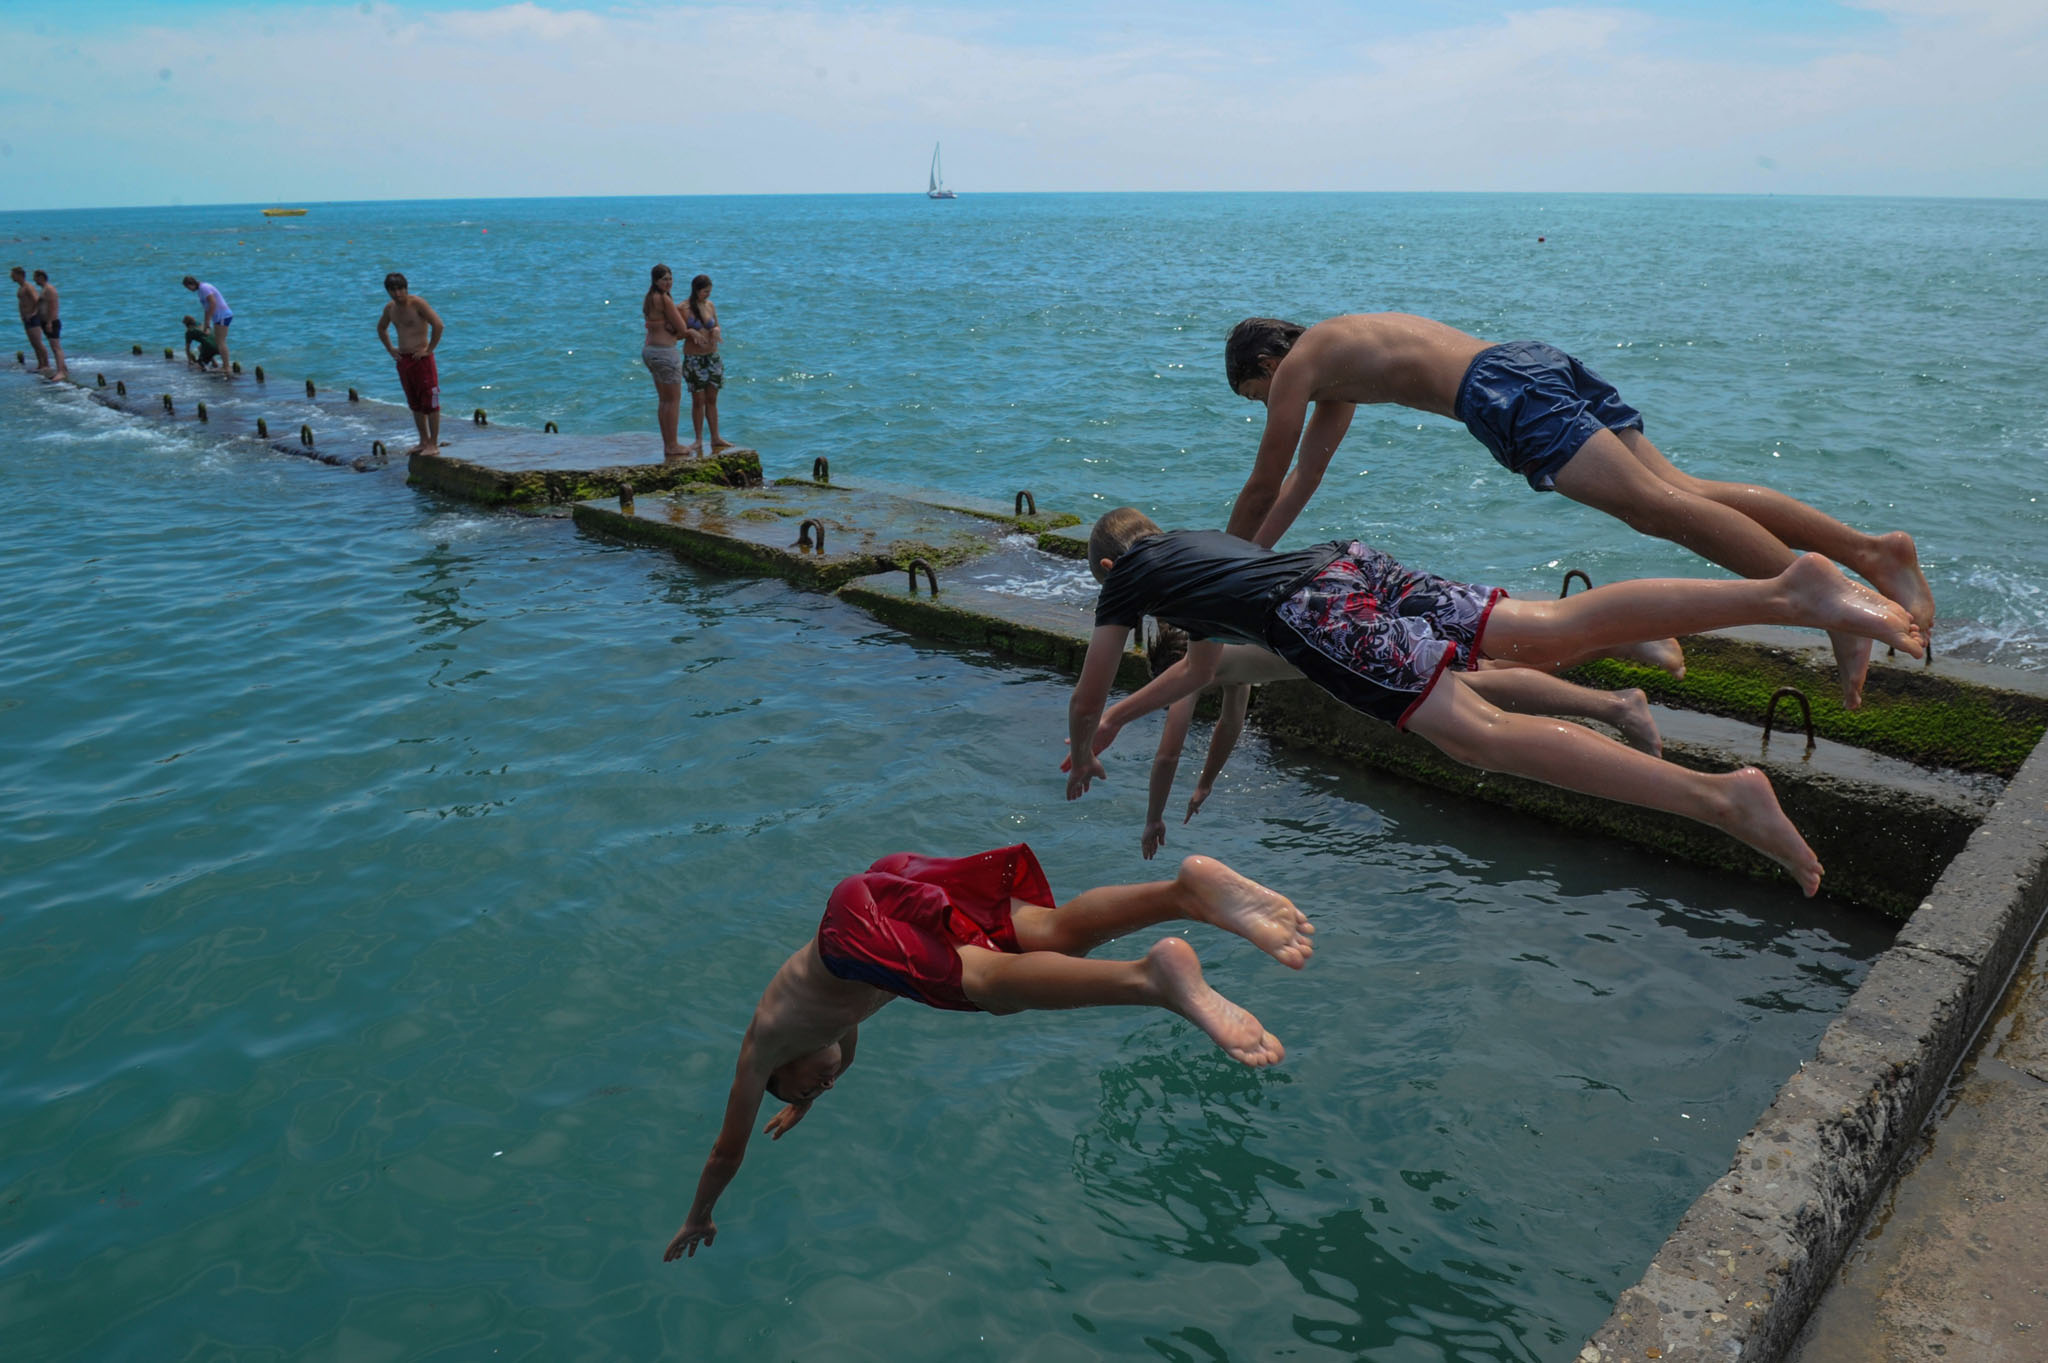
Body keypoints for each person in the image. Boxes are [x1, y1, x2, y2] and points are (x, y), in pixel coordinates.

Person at [1065, 509, 1927, 897]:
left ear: (1108, 567)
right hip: (1350, 562)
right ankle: (1789, 589)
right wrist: (1116, 723)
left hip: (1312, 610)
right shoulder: (1192, 552)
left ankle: (1722, 799)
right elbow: (1202, 671)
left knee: (1477, 735)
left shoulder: (1128, 579)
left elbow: (1093, 674)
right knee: (1551, 628)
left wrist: (1086, 732)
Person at [1220, 314, 1936, 709]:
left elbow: (1263, 482)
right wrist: (1249, 563)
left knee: (1658, 510)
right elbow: (1303, 480)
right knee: (1686, 492)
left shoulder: (1304, 360)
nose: (1272, 406)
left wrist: (1216, 567)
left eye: (1258, 396)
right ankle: (1873, 553)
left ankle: (1825, 596)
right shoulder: (1337, 368)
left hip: (1500, 393)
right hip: (1525, 360)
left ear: (1264, 362)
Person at [663, 845, 1313, 1261]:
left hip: (853, 927)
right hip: (884, 882)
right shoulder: (833, 1026)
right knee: (1051, 940)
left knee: (989, 988)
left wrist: (699, 1215)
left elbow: (726, 1149)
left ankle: (1154, 978)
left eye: (803, 1089)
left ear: (781, 1068)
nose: (819, 1088)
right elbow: (841, 1050)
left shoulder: (764, 1045)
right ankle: (1186, 891)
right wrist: (803, 1109)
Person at [1129, 625, 1667, 860]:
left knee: (1482, 679)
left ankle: (1618, 701)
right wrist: (1204, 786)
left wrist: (1155, 816)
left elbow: (1169, 749)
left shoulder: (1192, 668)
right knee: (1488, 661)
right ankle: (1617, 646)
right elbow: (1228, 726)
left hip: (1359, 652)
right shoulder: (1223, 649)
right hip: (1354, 631)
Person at [375, 272, 445, 456]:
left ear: (406, 288)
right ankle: (423, 441)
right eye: (393, 290)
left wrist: (428, 350)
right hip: (404, 361)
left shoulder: (418, 304)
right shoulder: (390, 308)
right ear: (388, 291)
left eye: (400, 289)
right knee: (414, 402)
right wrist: (390, 348)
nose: (398, 294)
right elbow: (381, 328)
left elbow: (438, 325)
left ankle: (433, 443)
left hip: (422, 360)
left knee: (431, 401)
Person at [642, 264, 693, 458]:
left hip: (650, 352)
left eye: (670, 279)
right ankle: (672, 445)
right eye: (664, 279)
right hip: (664, 353)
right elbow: (682, 329)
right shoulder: (663, 299)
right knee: (672, 401)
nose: (668, 283)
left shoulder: (649, 299)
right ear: (656, 281)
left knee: (664, 401)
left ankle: (668, 444)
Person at [681, 273, 731, 453]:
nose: (707, 295)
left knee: (712, 399)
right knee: (698, 400)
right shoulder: (684, 307)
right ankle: (698, 439)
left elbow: (716, 325)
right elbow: (677, 333)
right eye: (704, 292)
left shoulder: (710, 305)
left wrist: (716, 330)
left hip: (712, 357)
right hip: (694, 358)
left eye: (709, 291)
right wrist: (690, 332)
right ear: (696, 290)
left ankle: (716, 437)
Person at [181, 275, 233, 373]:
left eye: (188, 287)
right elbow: (206, 308)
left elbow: (213, 303)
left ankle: (227, 367)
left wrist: (208, 321)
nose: (189, 290)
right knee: (218, 341)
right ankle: (224, 365)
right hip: (218, 317)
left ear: (191, 284)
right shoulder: (201, 290)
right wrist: (206, 324)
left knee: (221, 342)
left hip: (222, 315)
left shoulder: (204, 288)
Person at [12, 267, 48, 373]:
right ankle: (40, 364)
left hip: (33, 318)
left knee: (38, 342)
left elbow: (37, 300)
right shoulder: (21, 287)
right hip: (26, 319)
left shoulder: (28, 287)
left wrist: (33, 313)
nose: (11, 277)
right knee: (33, 343)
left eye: (13, 274)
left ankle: (46, 364)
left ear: (19, 275)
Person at [31, 271, 64, 381]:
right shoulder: (44, 289)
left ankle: (61, 372)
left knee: (56, 347)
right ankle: (63, 368)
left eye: (35, 278)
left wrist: (49, 322)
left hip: (52, 322)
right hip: (45, 321)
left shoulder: (50, 289)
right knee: (53, 346)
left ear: (41, 277)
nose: (34, 280)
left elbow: (53, 307)